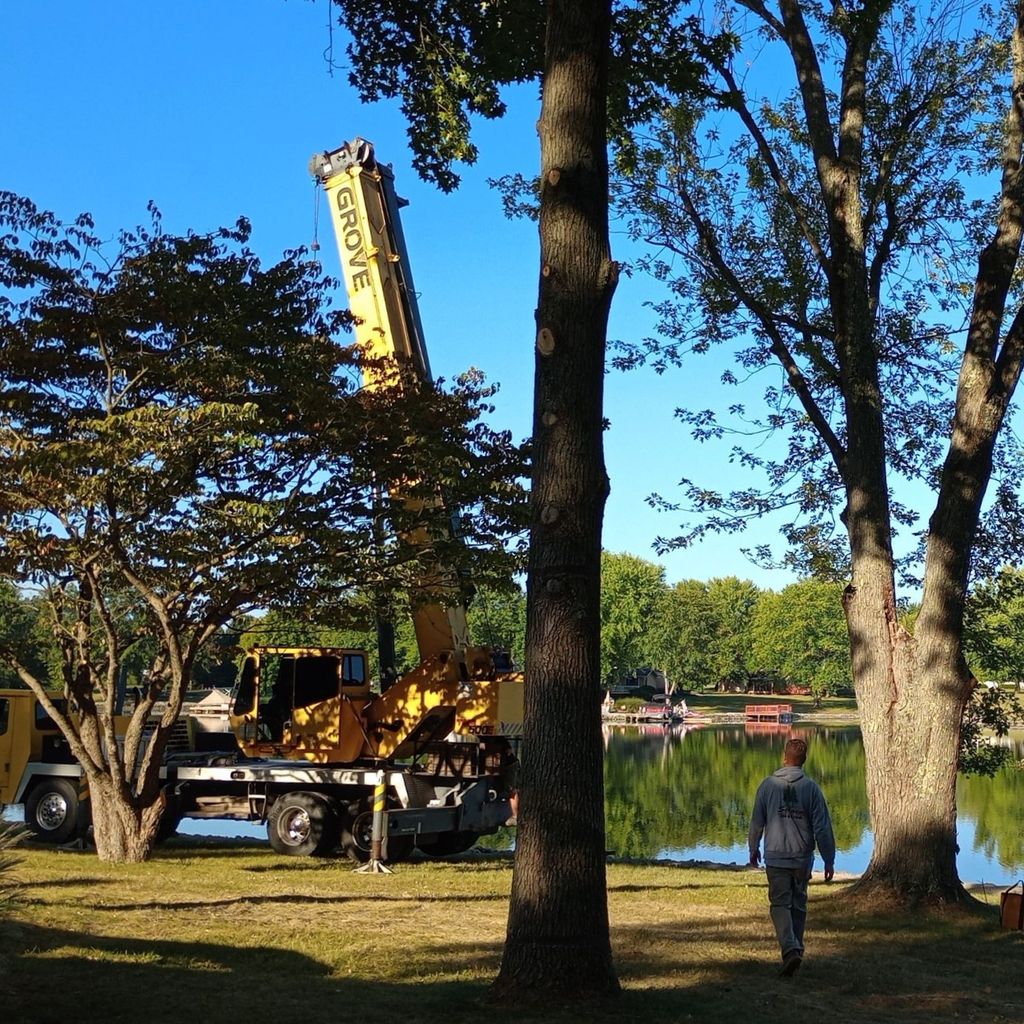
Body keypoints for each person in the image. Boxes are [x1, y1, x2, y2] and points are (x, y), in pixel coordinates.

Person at [748, 736, 836, 978]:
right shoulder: (811, 789)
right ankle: (796, 949)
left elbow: (757, 821)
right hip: (801, 857)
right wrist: (829, 858)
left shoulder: (767, 786)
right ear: (804, 761)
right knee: (798, 905)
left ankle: (790, 949)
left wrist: (753, 848)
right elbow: (822, 828)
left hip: (776, 856)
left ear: (784, 757)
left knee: (780, 905)